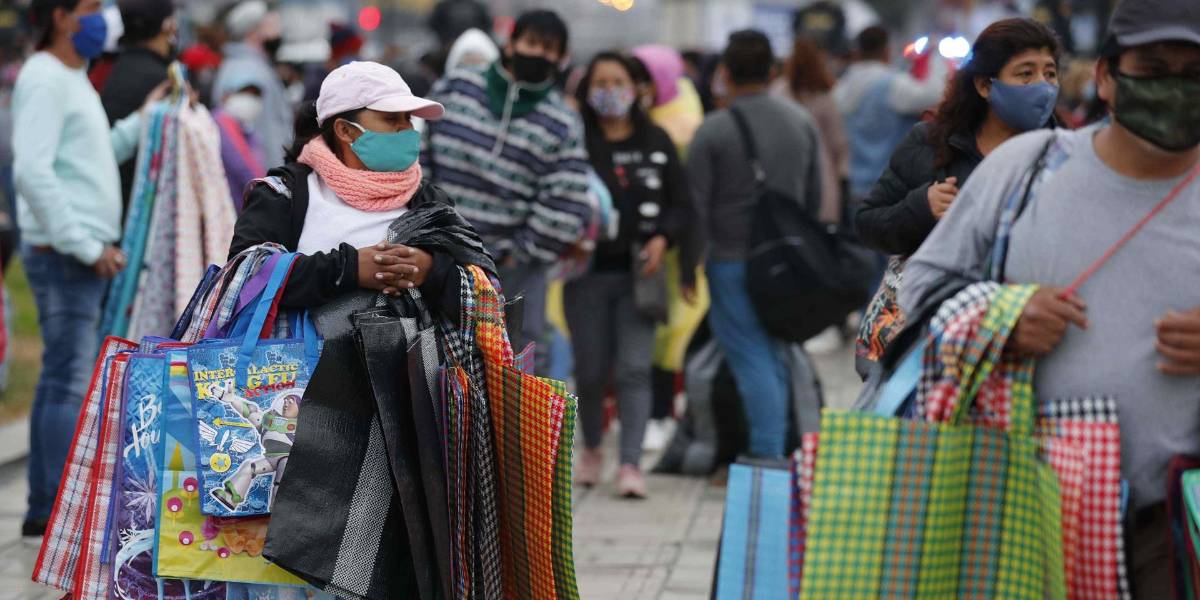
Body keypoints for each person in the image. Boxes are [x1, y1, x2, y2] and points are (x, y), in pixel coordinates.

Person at [898, 1, 1200, 595]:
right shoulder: (1026, 169)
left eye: (1194, 72)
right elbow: (918, 293)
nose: (1176, 87)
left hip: (1179, 534)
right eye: (1155, 67)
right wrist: (1000, 316)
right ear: (1107, 77)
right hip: (1025, 517)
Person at [14, 0, 164, 537]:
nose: (106, 17)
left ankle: (44, 507)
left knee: (63, 376)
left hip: (73, 253)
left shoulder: (71, 79)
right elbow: (31, 170)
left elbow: (93, 153)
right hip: (63, 257)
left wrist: (147, 118)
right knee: (66, 380)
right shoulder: (46, 78)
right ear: (61, 16)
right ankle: (50, 509)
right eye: (93, 6)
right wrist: (82, 244)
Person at [854, 18, 1060, 368]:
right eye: (1025, 74)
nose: (1041, 86)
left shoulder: (1065, 155)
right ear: (984, 85)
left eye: (1050, 73)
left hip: (1027, 343)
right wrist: (920, 206)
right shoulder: (932, 144)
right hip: (934, 345)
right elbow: (868, 222)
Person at [422, 9, 591, 374]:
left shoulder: (562, 120)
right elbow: (422, 155)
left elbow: (566, 197)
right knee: (440, 356)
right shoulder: (456, 88)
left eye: (550, 49)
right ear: (511, 43)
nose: (539, 54)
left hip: (514, 266)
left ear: (561, 59)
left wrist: (519, 254)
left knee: (517, 364)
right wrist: (432, 228)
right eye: (532, 43)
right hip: (443, 255)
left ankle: (513, 434)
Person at [229, 60, 467, 314]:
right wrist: (349, 269)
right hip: (307, 352)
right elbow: (244, 277)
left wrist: (431, 269)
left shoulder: (428, 200)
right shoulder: (284, 194)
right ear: (345, 130)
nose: (406, 129)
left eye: (407, 118)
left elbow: (480, 279)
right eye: (390, 119)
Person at [685, 30, 824, 459]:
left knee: (751, 360)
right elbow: (815, 196)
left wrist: (689, 264)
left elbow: (696, 208)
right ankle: (781, 453)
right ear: (773, 70)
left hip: (731, 261)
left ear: (724, 72)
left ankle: (768, 458)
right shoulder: (800, 121)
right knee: (777, 356)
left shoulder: (713, 130)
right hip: (788, 262)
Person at [568, 51, 689, 497]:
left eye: (619, 81)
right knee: (592, 370)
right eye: (601, 82)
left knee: (635, 369)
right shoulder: (574, 140)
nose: (611, 91)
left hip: (642, 275)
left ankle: (631, 463)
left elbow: (681, 204)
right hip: (586, 274)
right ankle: (595, 446)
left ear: (637, 88)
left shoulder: (656, 139)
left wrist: (664, 238)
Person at [835, 25, 948, 200]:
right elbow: (935, 94)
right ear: (887, 51)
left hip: (852, 184)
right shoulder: (892, 86)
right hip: (887, 189)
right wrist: (935, 57)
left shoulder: (841, 86)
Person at [101, 0, 174, 209]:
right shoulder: (164, 82)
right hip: (147, 210)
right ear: (167, 25)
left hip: (115, 203)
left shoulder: (113, 73)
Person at [777, 37, 850, 226]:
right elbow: (838, 144)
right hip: (823, 175)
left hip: (785, 176)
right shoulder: (825, 95)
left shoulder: (778, 92)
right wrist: (842, 178)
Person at [213, 0, 292, 169]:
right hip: (262, 180)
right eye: (272, 24)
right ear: (254, 30)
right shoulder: (247, 71)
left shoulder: (250, 66)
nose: (279, 30)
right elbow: (239, 138)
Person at [212, 74, 267, 210]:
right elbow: (244, 169)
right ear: (226, 95)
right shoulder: (220, 123)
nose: (250, 101)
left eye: (255, 96)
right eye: (244, 93)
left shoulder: (246, 129)